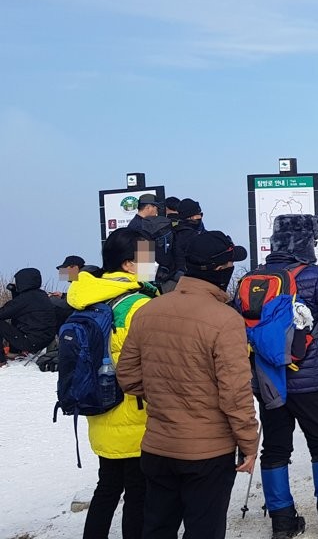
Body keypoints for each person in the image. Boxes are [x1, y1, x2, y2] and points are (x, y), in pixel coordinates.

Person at [115, 231, 253, 539]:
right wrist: (248, 442)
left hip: (157, 446)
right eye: (230, 263)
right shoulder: (226, 319)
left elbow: (127, 375)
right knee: (204, 530)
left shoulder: (149, 310)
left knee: (157, 528)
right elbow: (235, 393)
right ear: (220, 270)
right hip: (208, 451)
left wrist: (164, 394)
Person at [255, 214, 318, 538]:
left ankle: (282, 522)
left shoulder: (256, 277)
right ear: (307, 243)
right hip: (310, 380)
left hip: (269, 380)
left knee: (274, 449)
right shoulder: (313, 276)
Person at [65, 228, 159, 539]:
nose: (153, 262)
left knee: (107, 486)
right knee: (138, 492)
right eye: (148, 257)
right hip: (134, 411)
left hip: (98, 405)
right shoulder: (138, 304)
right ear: (129, 264)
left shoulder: (88, 298)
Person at [0, 268, 57, 363]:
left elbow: (4, 312)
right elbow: (20, 311)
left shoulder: (24, 299)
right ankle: (14, 352)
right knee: (17, 318)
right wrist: (15, 292)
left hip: (31, 342)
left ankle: (1, 360)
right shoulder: (42, 295)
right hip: (46, 339)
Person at [127, 194, 175, 287]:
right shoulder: (140, 226)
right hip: (146, 276)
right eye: (156, 207)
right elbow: (144, 260)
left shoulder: (137, 224)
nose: (157, 210)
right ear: (148, 207)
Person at [167, 198, 205, 291]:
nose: (199, 218)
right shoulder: (189, 235)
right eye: (196, 216)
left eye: (200, 215)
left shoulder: (172, 232)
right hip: (189, 282)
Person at [51, 255, 89, 326]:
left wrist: (49, 299)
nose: (62, 272)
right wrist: (63, 295)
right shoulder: (86, 276)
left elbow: (71, 305)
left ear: (75, 267)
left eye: (65, 269)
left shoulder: (82, 279)